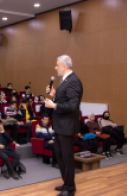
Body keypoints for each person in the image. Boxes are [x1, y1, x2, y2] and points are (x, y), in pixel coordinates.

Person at [45, 55, 83, 196]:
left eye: (57, 65)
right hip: (60, 125)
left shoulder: (73, 81)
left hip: (66, 126)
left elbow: (73, 106)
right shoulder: (64, 80)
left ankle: (70, 189)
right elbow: (64, 100)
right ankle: (67, 183)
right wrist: (54, 94)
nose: (56, 67)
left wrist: (54, 105)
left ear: (64, 66)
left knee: (67, 157)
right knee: (60, 155)